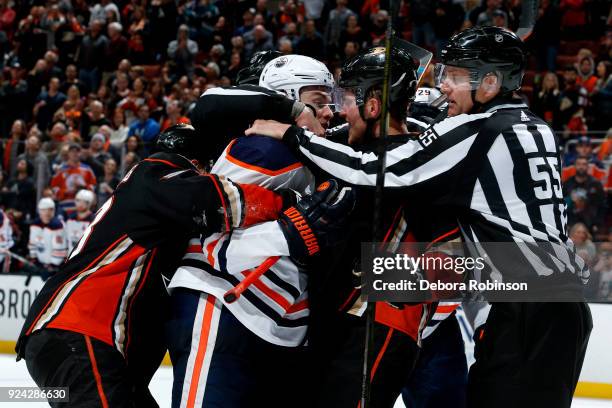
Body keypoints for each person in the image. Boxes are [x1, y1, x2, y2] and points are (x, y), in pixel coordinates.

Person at [250, 27, 591, 407]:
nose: (444, 86)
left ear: (491, 82)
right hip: (556, 301)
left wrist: (296, 137)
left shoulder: (478, 128)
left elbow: (382, 170)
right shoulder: (532, 125)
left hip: (528, 306)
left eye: (456, 77)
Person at [17, 124, 291, 407]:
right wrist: (289, 204)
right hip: (79, 334)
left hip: (69, 343)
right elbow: (214, 198)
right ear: (194, 164)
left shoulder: (149, 211)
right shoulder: (155, 171)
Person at [166, 55, 343, 408]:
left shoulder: (302, 150)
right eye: (319, 101)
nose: (330, 113)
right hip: (223, 300)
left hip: (276, 321)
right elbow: (210, 214)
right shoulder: (261, 146)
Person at [27, 198, 67, 276]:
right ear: (39, 211)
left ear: (53, 211)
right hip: (41, 264)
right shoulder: (35, 224)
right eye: (43, 210)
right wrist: (34, 259)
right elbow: (32, 243)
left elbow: (60, 248)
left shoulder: (57, 225)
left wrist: (53, 266)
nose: (46, 213)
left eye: (50, 210)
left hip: (55, 267)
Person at [65, 189, 96, 253]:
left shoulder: (94, 220)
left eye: (85, 202)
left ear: (89, 203)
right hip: (70, 257)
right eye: (78, 201)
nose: (81, 204)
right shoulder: (70, 219)